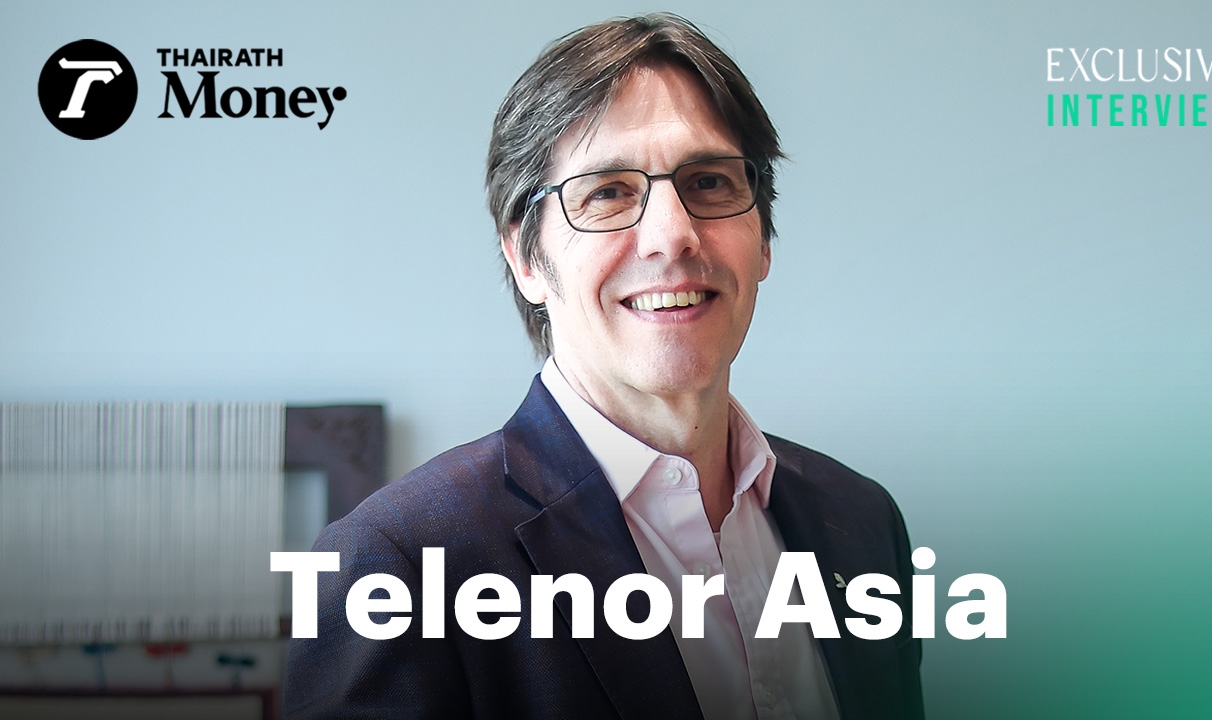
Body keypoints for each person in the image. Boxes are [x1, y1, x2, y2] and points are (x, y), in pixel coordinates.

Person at [284, 13, 923, 720]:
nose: (672, 234)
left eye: (709, 182)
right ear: (526, 258)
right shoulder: (398, 565)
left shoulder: (861, 521)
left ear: (764, 240)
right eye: (608, 192)